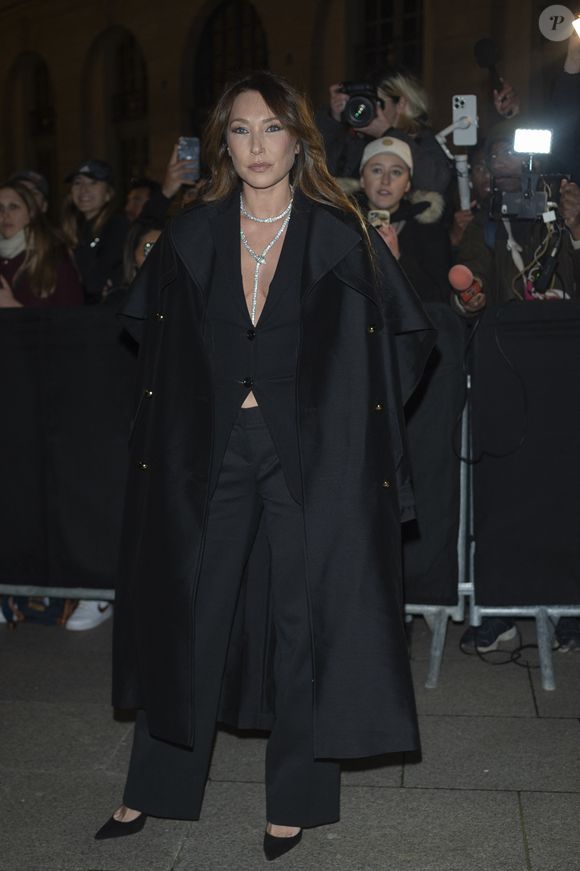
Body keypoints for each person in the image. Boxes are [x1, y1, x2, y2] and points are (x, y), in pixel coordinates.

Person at [98, 70, 434, 860]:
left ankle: (297, 797)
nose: (256, 145)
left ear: (297, 140)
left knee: (302, 618)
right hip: (210, 453)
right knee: (190, 610)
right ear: (225, 141)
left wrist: (347, 416)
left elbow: (407, 339)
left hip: (310, 456)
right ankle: (154, 785)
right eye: (242, 129)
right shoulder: (191, 232)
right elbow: (152, 339)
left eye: (272, 128)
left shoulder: (336, 230)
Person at [316, 69, 453, 194]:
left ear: (400, 104)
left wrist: (387, 134)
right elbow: (320, 174)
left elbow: (436, 182)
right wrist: (334, 120)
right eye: (362, 101)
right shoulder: (357, 139)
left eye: (377, 102)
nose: (366, 108)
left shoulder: (421, 140)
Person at [358, 134, 451, 303]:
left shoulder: (428, 231)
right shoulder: (341, 224)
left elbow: (437, 297)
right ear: (362, 179)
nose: (386, 181)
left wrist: (398, 260)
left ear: (408, 183)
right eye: (377, 170)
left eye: (396, 172)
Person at [0, 181, 82, 308]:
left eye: (14, 207)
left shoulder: (54, 256)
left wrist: (14, 309)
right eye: (0, 208)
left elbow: (73, 319)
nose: (5, 215)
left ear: (31, 213)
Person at [61, 159, 128, 304]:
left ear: (108, 193)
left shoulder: (117, 226)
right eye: (78, 183)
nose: (84, 190)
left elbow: (95, 282)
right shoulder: (71, 229)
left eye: (93, 183)